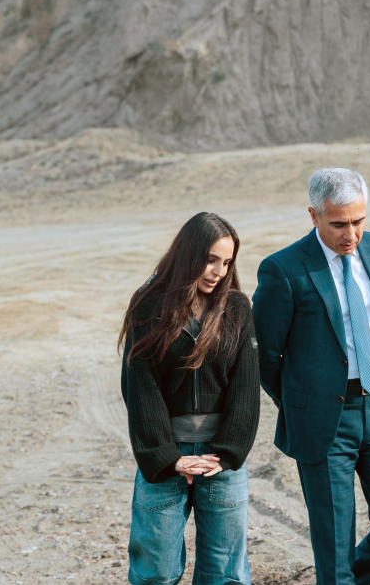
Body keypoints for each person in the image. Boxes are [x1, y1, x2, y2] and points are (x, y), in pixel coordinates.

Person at [252, 168, 370, 585]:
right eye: (339, 224)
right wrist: (301, 401)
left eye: (358, 221)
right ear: (314, 216)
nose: (351, 234)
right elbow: (266, 355)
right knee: (334, 548)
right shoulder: (282, 269)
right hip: (324, 422)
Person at [119, 212, 260, 585]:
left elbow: (246, 386)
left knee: (225, 575)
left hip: (220, 461)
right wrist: (166, 458)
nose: (218, 272)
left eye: (226, 262)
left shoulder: (236, 308)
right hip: (166, 458)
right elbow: (140, 387)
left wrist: (228, 454)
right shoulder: (148, 307)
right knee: (156, 573)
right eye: (211, 259)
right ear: (189, 254)